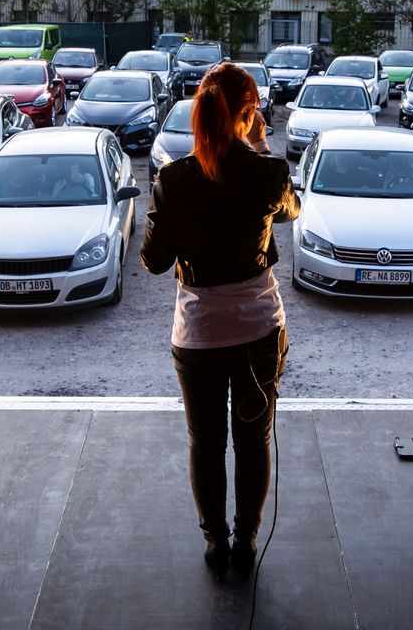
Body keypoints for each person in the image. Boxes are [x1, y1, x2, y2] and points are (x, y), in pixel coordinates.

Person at [141, 63, 300, 581]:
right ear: (249, 113)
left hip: (199, 333)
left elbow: (153, 261)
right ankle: (247, 541)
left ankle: (216, 543)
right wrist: (256, 147)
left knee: (206, 444)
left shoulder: (173, 178)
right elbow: (290, 211)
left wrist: (165, 211)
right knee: (253, 441)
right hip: (258, 330)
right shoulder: (268, 172)